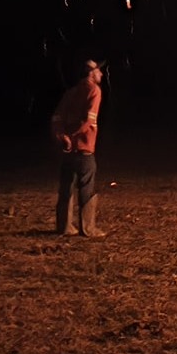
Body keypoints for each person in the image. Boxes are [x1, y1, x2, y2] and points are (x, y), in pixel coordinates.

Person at [51, 59, 105, 237]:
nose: (101, 74)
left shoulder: (70, 93)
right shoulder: (94, 91)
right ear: (91, 73)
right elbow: (88, 121)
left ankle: (64, 226)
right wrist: (74, 136)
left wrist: (62, 137)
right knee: (86, 186)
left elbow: (57, 117)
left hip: (67, 150)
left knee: (66, 187)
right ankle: (88, 228)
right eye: (99, 71)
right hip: (84, 147)